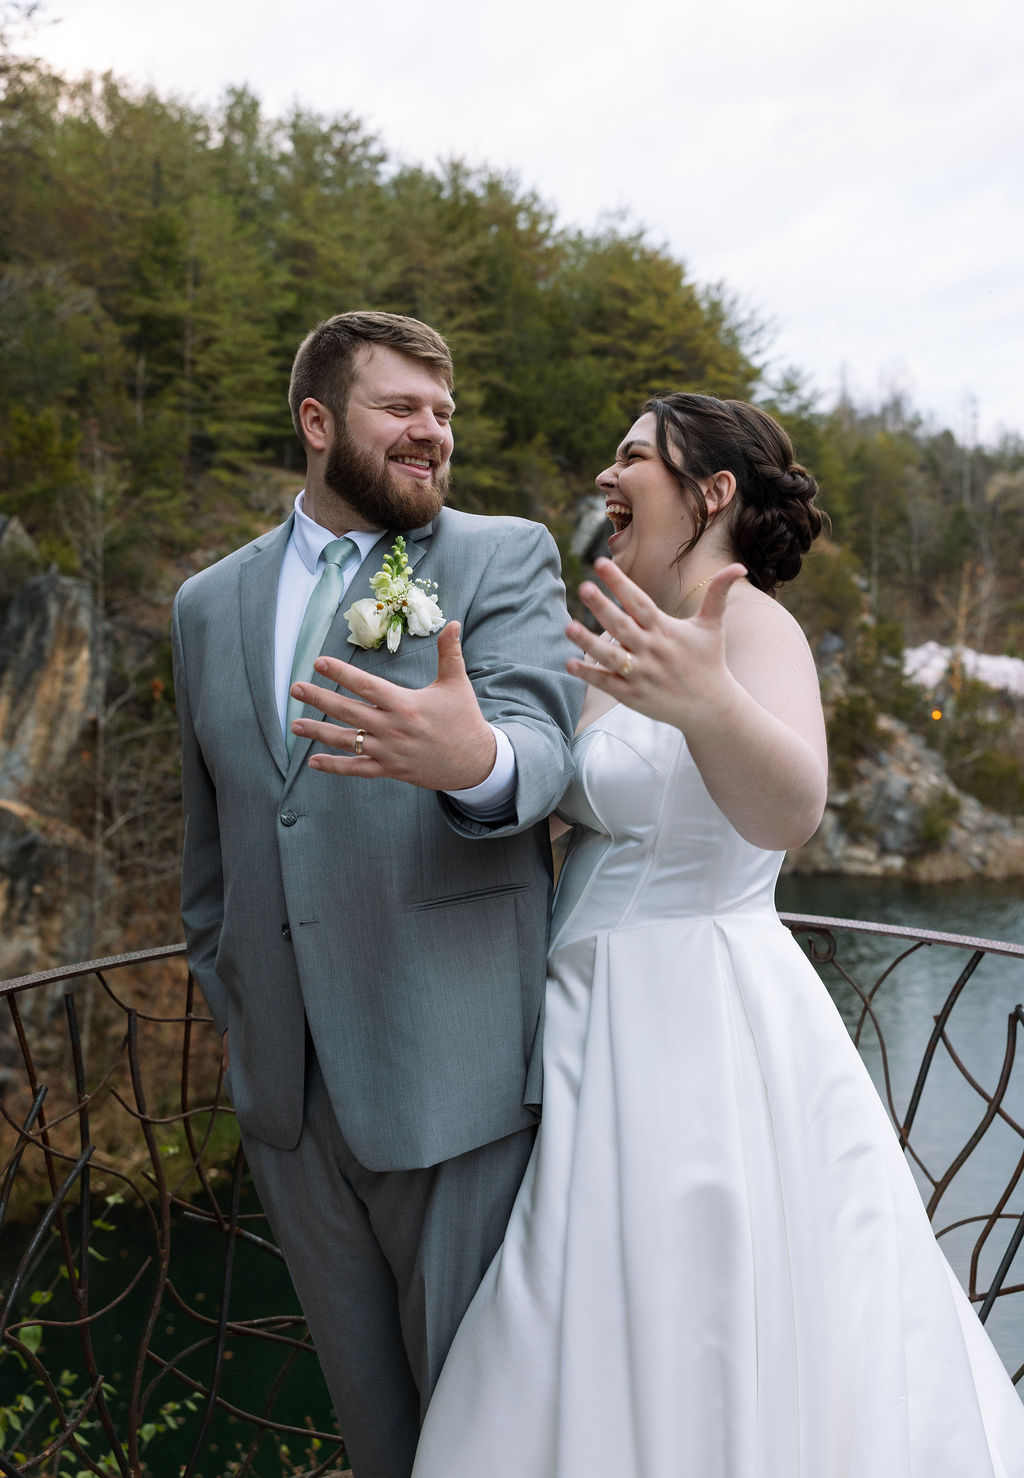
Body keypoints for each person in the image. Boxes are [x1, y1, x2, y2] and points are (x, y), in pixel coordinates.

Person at [405, 394, 1024, 1477]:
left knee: (698, 1300)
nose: (608, 474)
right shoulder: (626, 638)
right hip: (586, 1020)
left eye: (632, 455)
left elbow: (790, 812)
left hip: (698, 1030)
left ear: (713, 491)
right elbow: (572, 814)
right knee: (581, 1298)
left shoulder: (751, 625)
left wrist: (706, 702)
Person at [171, 311, 581, 1478]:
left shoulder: (501, 555)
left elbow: (542, 746)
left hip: (451, 1079)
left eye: (443, 413)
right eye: (401, 407)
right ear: (317, 422)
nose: (432, 433)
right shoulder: (207, 603)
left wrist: (476, 763)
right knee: (378, 1437)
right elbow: (215, 853)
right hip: (289, 1104)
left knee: (486, 1429)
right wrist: (242, 1009)